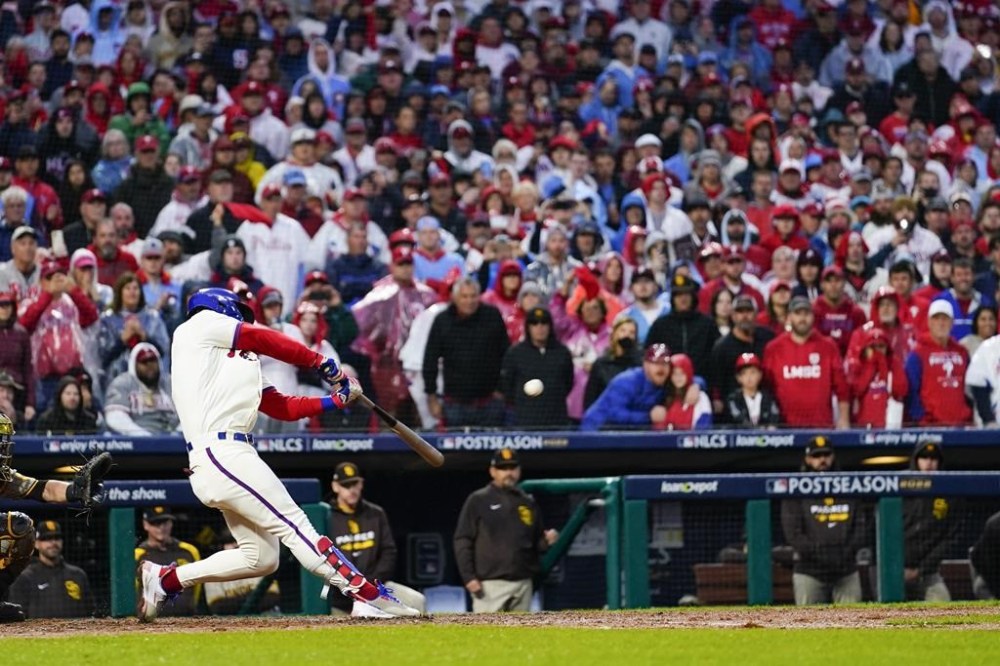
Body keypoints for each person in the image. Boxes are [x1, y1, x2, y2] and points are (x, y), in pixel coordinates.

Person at [137, 288, 417, 621]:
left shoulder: (236, 362)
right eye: (240, 311)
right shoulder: (198, 325)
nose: (242, 318)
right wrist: (322, 362)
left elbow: (279, 405)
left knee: (261, 558)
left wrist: (334, 401)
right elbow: (263, 338)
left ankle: (167, 580)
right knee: (296, 526)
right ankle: (366, 596)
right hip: (220, 450)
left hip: (229, 455)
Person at [0, 413, 111, 624]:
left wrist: (75, 490)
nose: (2, 447)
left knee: (20, 529)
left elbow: (41, 489)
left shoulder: (1, 475)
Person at [453, 448, 558, 613]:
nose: (509, 472)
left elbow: (535, 543)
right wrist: (469, 577)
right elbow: (463, 540)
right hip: (489, 585)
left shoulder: (527, 502)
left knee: (520, 637)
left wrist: (547, 541)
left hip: (523, 583)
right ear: (493, 471)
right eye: (503, 468)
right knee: (486, 636)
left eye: (513, 468)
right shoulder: (478, 499)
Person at [326, 463, 425, 616]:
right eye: (346, 485)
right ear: (335, 487)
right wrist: (351, 587)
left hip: (376, 589)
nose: (351, 490)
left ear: (361, 484)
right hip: (341, 597)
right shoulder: (326, 516)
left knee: (417, 601)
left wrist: (370, 584)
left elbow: (389, 552)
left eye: (354, 484)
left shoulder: (376, 514)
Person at [780, 437, 867, 606]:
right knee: (808, 626)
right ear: (807, 459)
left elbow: (860, 528)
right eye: (816, 456)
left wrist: (843, 553)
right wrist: (823, 555)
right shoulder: (795, 489)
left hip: (846, 570)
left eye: (826, 455)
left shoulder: (849, 486)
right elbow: (794, 534)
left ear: (833, 457)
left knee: (853, 624)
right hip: (810, 571)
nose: (822, 460)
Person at [423, 277, 510, 428]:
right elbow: (430, 360)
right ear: (455, 298)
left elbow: (507, 355)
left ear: (479, 296)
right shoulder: (442, 321)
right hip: (454, 404)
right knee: (454, 451)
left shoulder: (492, 316)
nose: (469, 301)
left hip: (490, 402)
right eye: (464, 296)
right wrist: (432, 397)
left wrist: (503, 389)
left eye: (473, 296)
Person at [762, 296, 850, 428]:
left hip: (821, 425)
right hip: (784, 427)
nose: (802, 319)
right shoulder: (773, 348)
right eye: (798, 314)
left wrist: (844, 418)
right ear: (789, 317)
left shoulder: (828, 346)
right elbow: (766, 387)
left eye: (806, 313)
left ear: (813, 316)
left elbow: (842, 387)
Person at [500, 307, 574, 428]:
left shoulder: (562, 353)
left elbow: (568, 382)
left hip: (556, 420)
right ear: (528, 327)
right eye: (534, 323)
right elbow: (507, 386)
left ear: (550, 326)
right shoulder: (515, 353)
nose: (540, 327)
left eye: (544, 323)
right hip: (526, 420)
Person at [903, 442, 958, 602]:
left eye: (934, 459)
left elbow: (949, 538)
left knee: (942, 603)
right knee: (889, 616)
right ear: (916, 460)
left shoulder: (948, 493)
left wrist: (920, 570)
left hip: (928, 573)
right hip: (893, 572)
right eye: (924, 458)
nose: (929, 462)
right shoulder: (899, 487)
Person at [904, 300, 972, 426]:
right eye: (936, 319)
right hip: (930, 426)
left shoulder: (962, 352)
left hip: (961, 425)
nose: (941, 323)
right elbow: (911, 391)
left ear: (952, 323)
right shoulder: (917, 354)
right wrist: (922, 419)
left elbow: (970, 389)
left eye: (945, 319)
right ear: (929, 322)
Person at [7, 520, 93, 618]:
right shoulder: (24, 577)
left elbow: (90, 613)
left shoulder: (78, 574)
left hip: (77, 632)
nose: (53, 542)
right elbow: (16, 618)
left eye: (57, 538)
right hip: (38, 633)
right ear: (36, 544)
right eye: (46, 538)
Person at [709, 294, 775, 419]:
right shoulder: (722, 347)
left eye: (748, 311)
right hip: (733, 413)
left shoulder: (768, 338)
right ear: (733, 316)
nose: (744, 316)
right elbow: (717, 384)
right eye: (740, 312)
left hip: (765, 408)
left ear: (756, 314)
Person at [646, 274, 719, 377]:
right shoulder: (660, 325)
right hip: (668, 381)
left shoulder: (707, 324)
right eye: (678, 295)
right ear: (673, 298)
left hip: (702, 380)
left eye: (686, 294)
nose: (683, 299)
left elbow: (716, 357)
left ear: (693, 297)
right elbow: (649, 355)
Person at [135, 507, 202, 617]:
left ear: (171, 523)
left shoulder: (189, 551)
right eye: (155, 523)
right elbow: (132, 591)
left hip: (187, 619)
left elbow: (197, 588)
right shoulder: (138, 554)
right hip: (151, 621)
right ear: (145, 525)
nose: (161, 528)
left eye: (165, 522)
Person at [104, 343, 179, 436]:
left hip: (173, 439)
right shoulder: (122, 383)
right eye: (144, 361)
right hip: (137, 443)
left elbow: (189, 413)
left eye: (152, 360)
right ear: (133, 364)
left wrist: (178, 433)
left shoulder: (171, 383)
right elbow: (115, 417)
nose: (149, 365)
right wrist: (143, 436)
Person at [204, 528, 281, 615]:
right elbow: (217, 607)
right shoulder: (213, 571)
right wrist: (254, 598)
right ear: (221, 546)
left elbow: (271, 598)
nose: (236, 545)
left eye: (239, 541)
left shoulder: (260, 561)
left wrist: (232, 602)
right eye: (230, 541)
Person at [583, 317, 642, 410]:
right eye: (623, 331)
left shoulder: (640, 365)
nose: (627, 335)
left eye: (632, 332)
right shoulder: (601, 364)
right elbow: (591, 398)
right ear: (614, 334)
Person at [651, 353, 712, 430]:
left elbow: (704, 427)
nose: (678, 378)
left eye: (682, 373)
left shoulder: (701, 397)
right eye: (674, 374)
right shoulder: (664, 396)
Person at [725, 353, 781, 428]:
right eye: (744, 373)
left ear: (760, 375)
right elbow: (737, 418)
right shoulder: (733, 399)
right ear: (738, 378)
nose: (749, 377)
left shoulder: (768, 397)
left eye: (753, 372)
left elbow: (774, 417)